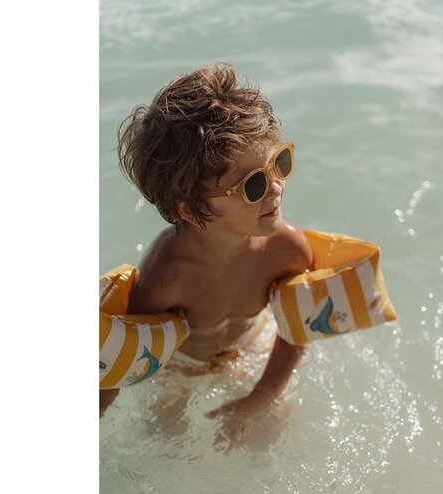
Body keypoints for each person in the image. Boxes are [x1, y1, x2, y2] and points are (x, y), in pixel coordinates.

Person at [100, 63, 313, 452]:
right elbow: (123, 360)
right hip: (182, 366)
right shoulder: (168, 275)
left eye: (278, 163)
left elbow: (295, 332)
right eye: (253, 185)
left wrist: (257, 398)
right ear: (193, 210)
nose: (276, 188)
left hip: (252, 344)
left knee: (270, 426)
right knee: (166, 440)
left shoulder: (286, 249)